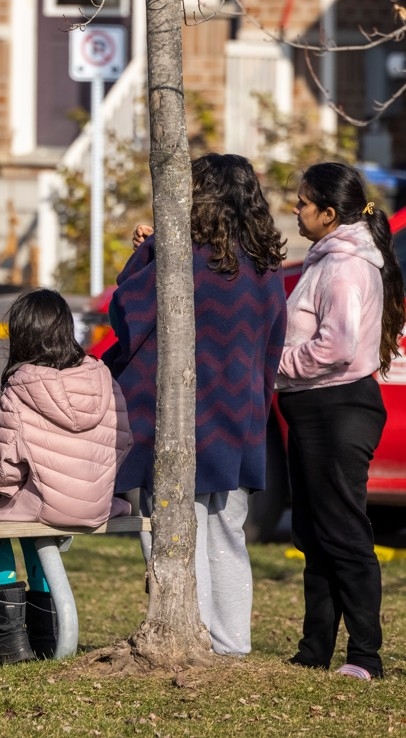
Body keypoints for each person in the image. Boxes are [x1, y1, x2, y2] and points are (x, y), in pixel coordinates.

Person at [103, 153, 287, 657]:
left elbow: (127, 314)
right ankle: (232, 642)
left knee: (173, 527)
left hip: (178, 417)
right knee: (228, 529)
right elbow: (273, 345)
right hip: (241, 414)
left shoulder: (180, 256)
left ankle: (194, 637)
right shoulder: (267, 266)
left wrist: (146, 253)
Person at [278, 163, 406, 681]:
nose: (295, 208)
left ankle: (365, 657)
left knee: (345, 534)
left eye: (304, 201)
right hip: (313, 410)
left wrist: (275, 365)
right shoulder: (326, 258)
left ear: (329, 214)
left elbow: (338, 345)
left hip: (337, 410)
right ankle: (315, 649)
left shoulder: (346, 267)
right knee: (314, 534)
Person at [0, 289, 133, 666]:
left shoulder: (20, 383)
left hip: (47, 502)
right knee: (29, 513)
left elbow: (8, 465)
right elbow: (124, 440)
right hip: (95, 501)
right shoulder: (101, 375)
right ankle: (46, 634)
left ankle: (10, 639)